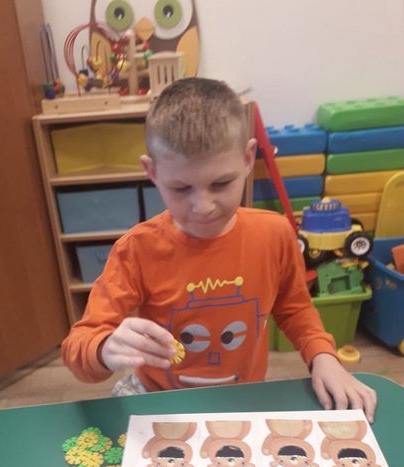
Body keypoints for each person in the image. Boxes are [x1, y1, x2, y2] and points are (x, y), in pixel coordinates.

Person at [61, 77, 377, 422]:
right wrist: (104, 349)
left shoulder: (274, 234)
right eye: (181, 188)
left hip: (241, 399)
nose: (203, 207)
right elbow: (78, 348)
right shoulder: (136, 250)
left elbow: (294, 307)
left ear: (248, 158)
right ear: (152, 172)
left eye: (221, 183)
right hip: (159, 399)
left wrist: (323, 357)